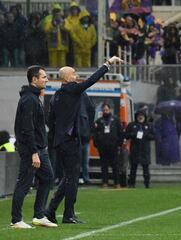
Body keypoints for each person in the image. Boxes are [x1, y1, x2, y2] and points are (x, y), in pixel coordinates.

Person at [45, 56, 123, 224]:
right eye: (73, 73)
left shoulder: (57, 95)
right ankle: (68, 214)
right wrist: (108, 64)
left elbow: (50, 120)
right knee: (72, 178)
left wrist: (55, 138)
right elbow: (91, 80)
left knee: (68, 177)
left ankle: (51, 210)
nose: (76, 75)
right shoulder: (72, 90)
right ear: (66, 78)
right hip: (69, 140)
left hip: (60, 140)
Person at [11, 66, 57, 228]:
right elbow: (27, 128)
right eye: (43, 77)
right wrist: (33, 153)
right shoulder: (29, 99)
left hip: (39, 149)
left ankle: (39, 216)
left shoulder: (34, 97)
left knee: (48, 177)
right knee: (24, 183)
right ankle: (16, 220)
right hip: (32, 150)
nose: (46, 79)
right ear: (34, 79)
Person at [93, 103, 124, 188]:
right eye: (104, 110)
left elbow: (120, 132)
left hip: (113, 146)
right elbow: (95, 134)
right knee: (104, 165)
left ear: (109, 110)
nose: (105, 111)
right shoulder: (99, 121)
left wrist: (119, 144)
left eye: (107, 110)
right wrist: (96, 144)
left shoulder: (116, 120)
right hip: (102, 147)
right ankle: (105, 182)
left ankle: (117, 182)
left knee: (115, 165)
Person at [125, 111, 155, 188]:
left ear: (145, 117)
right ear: (136, 116)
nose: (140, 117)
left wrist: (147, 135)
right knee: (133, 168)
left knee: (145, 168)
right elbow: (126, 135)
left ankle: (147, 184)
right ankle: (131, 183)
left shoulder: (149, 125)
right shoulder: (132, 125)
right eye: (139, 116)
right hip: (135, 149)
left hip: (145, 150)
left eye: (142, 116)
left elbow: (154, 136)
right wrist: (132, 134)